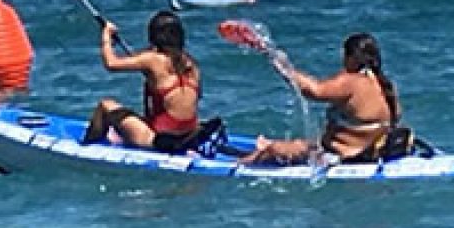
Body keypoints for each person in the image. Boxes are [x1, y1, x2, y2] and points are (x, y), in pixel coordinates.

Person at [241, 33, 401, 165]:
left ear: (352, 57)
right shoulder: (384, 84)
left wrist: (280, 64)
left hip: (345, 155)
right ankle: (269, 145)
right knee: (295, 145)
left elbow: (314, 91)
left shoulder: (353, 82)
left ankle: (240, 164)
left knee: (273, 150)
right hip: (369, 151)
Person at [81, 10, 203, 152]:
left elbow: (111, 64)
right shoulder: (191, 64)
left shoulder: (151, 59)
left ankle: (87, 147)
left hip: (160, 140)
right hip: (189, 136)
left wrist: (106, 36)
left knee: (105, 105)